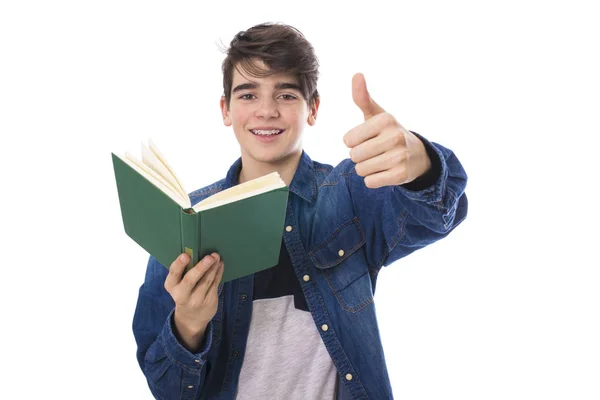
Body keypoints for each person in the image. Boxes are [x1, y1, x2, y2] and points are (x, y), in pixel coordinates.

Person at [132, 22, 468, 400]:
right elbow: (167, 388)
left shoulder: (350, 193)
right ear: (226, 110)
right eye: (247, 95)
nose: (266, 111)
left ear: (313, 109)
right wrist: (189, 326)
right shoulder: (187, 219)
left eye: (286, 94)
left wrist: (422, 163)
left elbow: (439, 214)